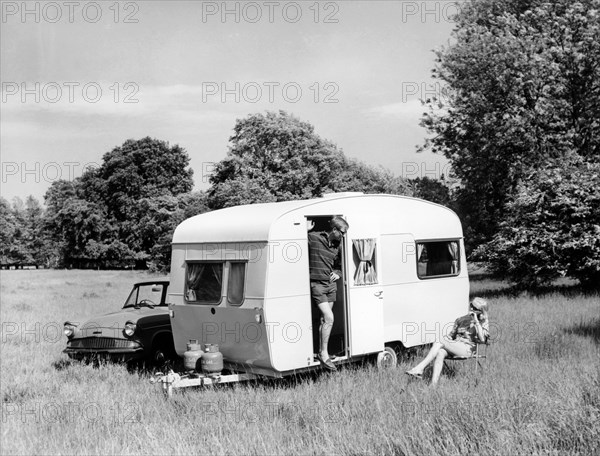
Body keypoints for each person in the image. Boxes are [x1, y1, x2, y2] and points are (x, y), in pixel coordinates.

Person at [405, 297, 489, 385]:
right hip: (455, 346)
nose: (471, 308)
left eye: (475, 308)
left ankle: (420, 368)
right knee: (440, 352)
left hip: (467, 349)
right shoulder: (461, 319)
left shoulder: (483, 321)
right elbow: (451, 336)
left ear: (481, 310)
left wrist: (476, 322)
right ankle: (433, 385)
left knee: (440, 340)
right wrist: (447, 338)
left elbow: (482, 339)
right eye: (471, 305)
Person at [308, 216, 349, 371]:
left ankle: (321, 351)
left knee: (324, 319)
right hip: (317, 284)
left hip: (330, 286)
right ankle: (324, 354)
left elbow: (339, 264)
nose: (343, 236)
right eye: (342, 232)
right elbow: (294, 241)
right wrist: (303, 231)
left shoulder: (338, 245)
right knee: (329, 317)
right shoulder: (314, 238)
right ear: (334, 230)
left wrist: (338, 272)